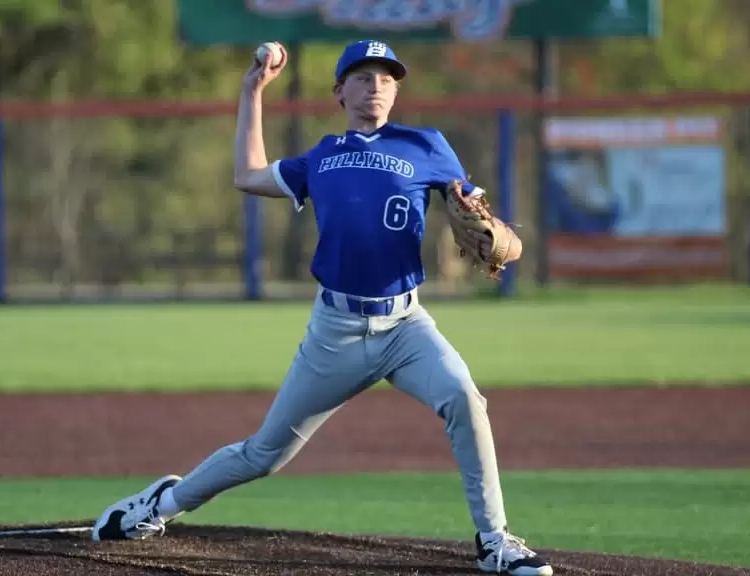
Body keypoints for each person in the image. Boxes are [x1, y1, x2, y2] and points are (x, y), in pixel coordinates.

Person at [91, 40, 552, 576]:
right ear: (339, 92)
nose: (375, 85)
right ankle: (159, 505)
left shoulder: (427, 145)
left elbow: (491, 229)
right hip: (336, 333)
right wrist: (252, 92)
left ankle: (494, 541)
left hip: (405, 327)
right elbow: (247, 173)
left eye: (386, 77)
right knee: (264, 454)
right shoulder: (322, 156)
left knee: (465, 399)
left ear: (396, 91)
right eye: (362, 76)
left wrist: (502, 239)